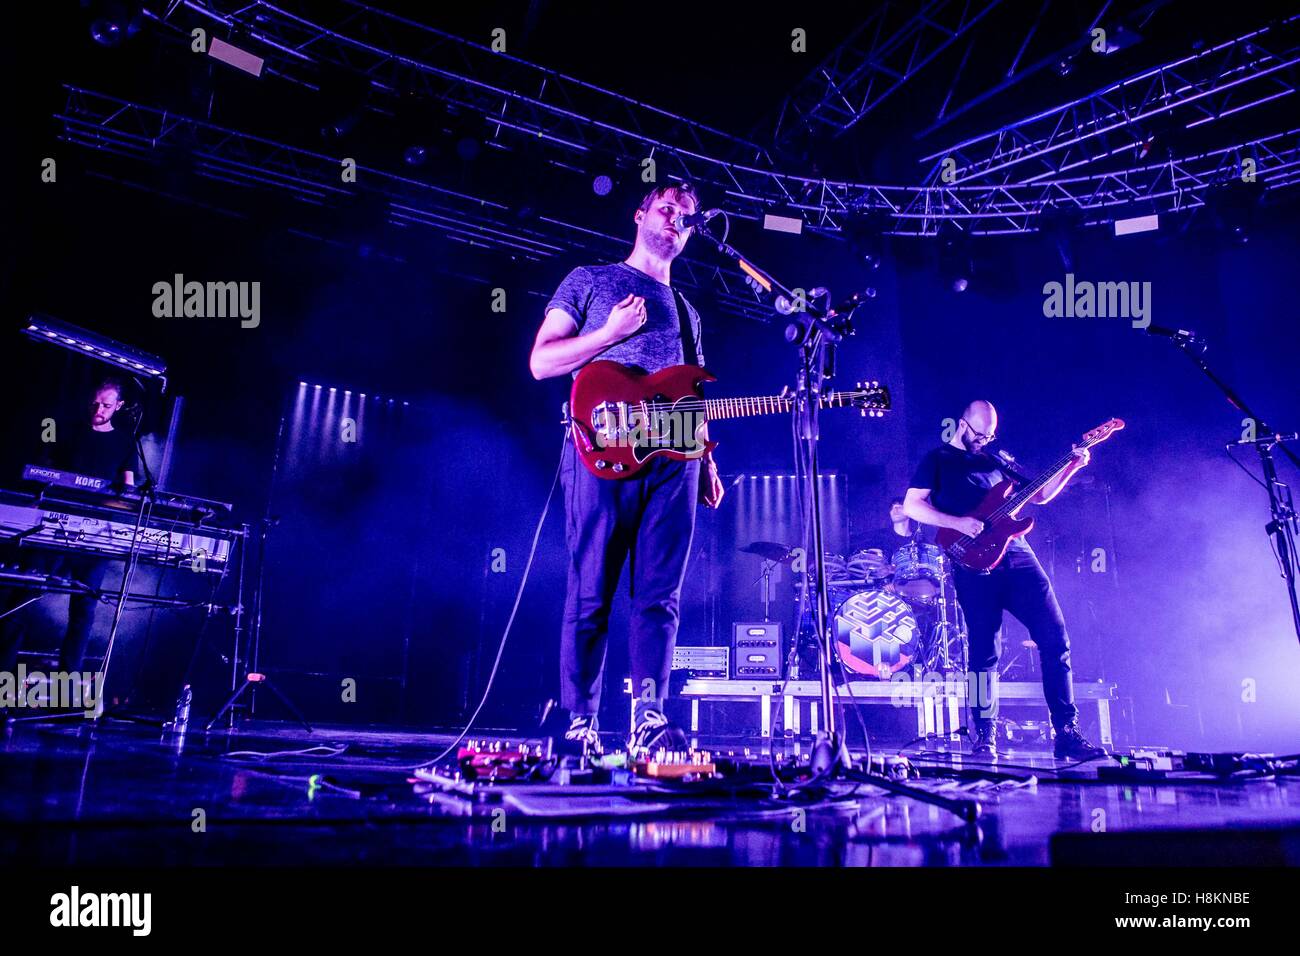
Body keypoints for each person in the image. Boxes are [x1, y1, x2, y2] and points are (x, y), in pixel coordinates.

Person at [529, 182, 724, 757]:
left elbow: (691, 396)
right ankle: (579, 722)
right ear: (639, 215)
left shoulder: (688, 313)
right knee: (591, 591)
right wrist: (609, 334)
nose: (675, 221)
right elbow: (542, 361)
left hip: (675, 462)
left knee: (660, 596)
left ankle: (648, 716)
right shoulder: (590, 279)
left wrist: (708, 460)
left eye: (686, 218)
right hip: (600, 452)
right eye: (666, 209)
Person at [903, 400, 1107, 760]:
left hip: (1017, 555)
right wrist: (958, 523)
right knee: (984, 651)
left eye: (991, 435)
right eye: (980, 434)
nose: (985, 440)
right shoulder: (936, 460)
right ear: (963, 425)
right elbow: (912, 506)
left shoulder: (997, 462)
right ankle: (984, 735)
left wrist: (1072, 464)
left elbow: (1041, 494)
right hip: (972, 561)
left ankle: (1066, 732)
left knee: (1056, 637)